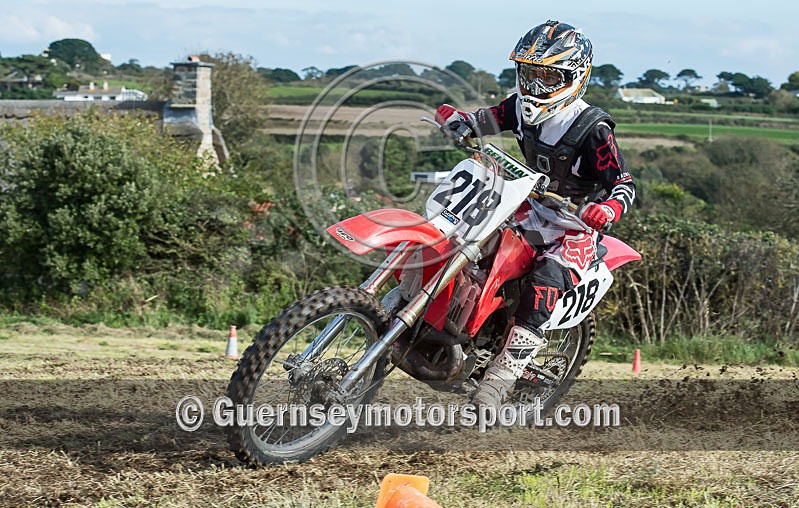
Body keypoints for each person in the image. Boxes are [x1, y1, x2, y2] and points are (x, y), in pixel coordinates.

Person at [434, 20, 636, 407]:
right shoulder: (519, 108)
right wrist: (459, 121)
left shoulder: (593, 129)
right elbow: (485, 119)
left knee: (546, 277)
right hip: (525, 203)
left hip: (573, 224)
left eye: (548, 78)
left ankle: (500, 378)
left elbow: (623, 183)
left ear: (574, 78)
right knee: (466, 239)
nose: (535, 87)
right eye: (530, 74)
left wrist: (607, 208)